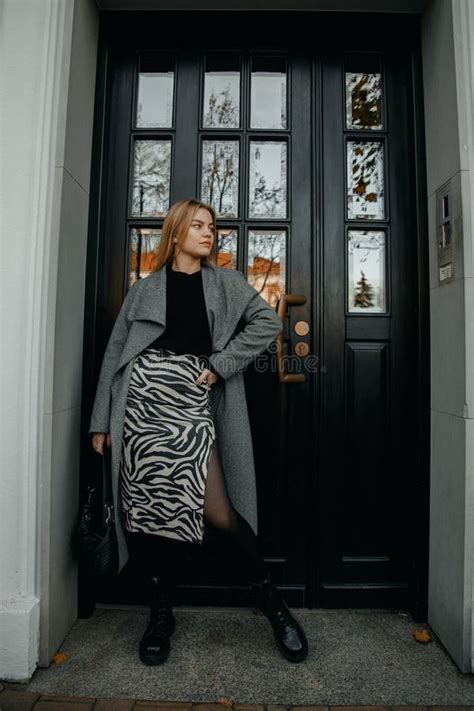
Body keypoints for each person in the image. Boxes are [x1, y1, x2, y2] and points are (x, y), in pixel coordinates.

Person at [90, 198, 308, 665]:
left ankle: (273, 604)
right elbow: (114, 355)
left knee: (220, 512)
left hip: (191, 404)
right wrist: (101, 421)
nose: (209, 233)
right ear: (176, 233)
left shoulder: (225, 283)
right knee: (154, 513)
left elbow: (268, 322)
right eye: (198, 226)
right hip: (142, 407)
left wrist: (221, 365)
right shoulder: (144, 288)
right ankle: (160, 614)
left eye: (212, 226)